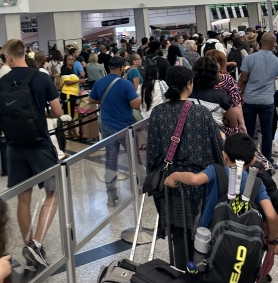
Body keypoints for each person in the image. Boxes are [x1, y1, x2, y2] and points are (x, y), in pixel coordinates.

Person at [165, 133, 278, 283]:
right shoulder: (256, 184)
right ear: (252, 160)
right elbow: (272, 215)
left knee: (208, 280)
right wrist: (273, 242)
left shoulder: (215, 171)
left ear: (224, 155)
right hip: (240, 243)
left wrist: (174, 175)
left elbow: (194, 180)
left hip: (208, 238)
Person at [146, 66, 225, 269]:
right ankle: (200, 276)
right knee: (201, 232)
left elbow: (152, 154)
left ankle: (181, 275)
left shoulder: (157, 113)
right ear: (189, 84)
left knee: (178, 232)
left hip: (171, 182)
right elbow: (217, 148)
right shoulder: (201, 113)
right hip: (198, 182)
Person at [0, 39, 62, 268]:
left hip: (14, 146)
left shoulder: (1, 82)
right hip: (40, 144)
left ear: (9, 57)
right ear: (24, 53)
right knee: (53, 193)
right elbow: (58, 110)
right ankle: (37, 244)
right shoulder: (41, 77)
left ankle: (27, 243)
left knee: (24, 198)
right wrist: (44, 115)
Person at [89, 56, 141, 207]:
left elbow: (92, 100)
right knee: (135, 158)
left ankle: (111, 195)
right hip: (125, 127)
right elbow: (136, 105)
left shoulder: (100, 82)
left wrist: (106, 100)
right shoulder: (126, 84)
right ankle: (140, 186)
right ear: (121, 68)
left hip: (107, 126)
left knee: (111, 159)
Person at [239, 32, 278, 161]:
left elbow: (243, 79)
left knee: (249, 131)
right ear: (273, 44)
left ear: (260, 42)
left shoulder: (249, 58)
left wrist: (237, 94)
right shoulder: (276, 60)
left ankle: (249, 158)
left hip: (249, 100)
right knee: (267, 132)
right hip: (267, 101)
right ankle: (266, 160)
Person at [189, 56, 238, 134]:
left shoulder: (188, 93)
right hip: (214, 137)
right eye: (218, 71)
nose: (221, 74)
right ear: (211, 74)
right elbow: (233, 123)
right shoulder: (221, 97)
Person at [206, 49, 246, 135]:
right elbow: (236, 104)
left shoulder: (201, 79)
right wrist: (242, 123)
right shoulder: (227, 79)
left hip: (206, 124)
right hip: (226, 124)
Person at [60, 53, 83, 140]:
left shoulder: (71, 70)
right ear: (65, 61)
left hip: (72, 94)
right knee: (69, 116)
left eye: (72, 59)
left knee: (69, 115)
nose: (72, 61)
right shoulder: (65, 69)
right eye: (69, 59)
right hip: (68, 94)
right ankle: (75, 134)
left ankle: (70, 133)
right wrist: (79, 81)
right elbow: (66, 82)